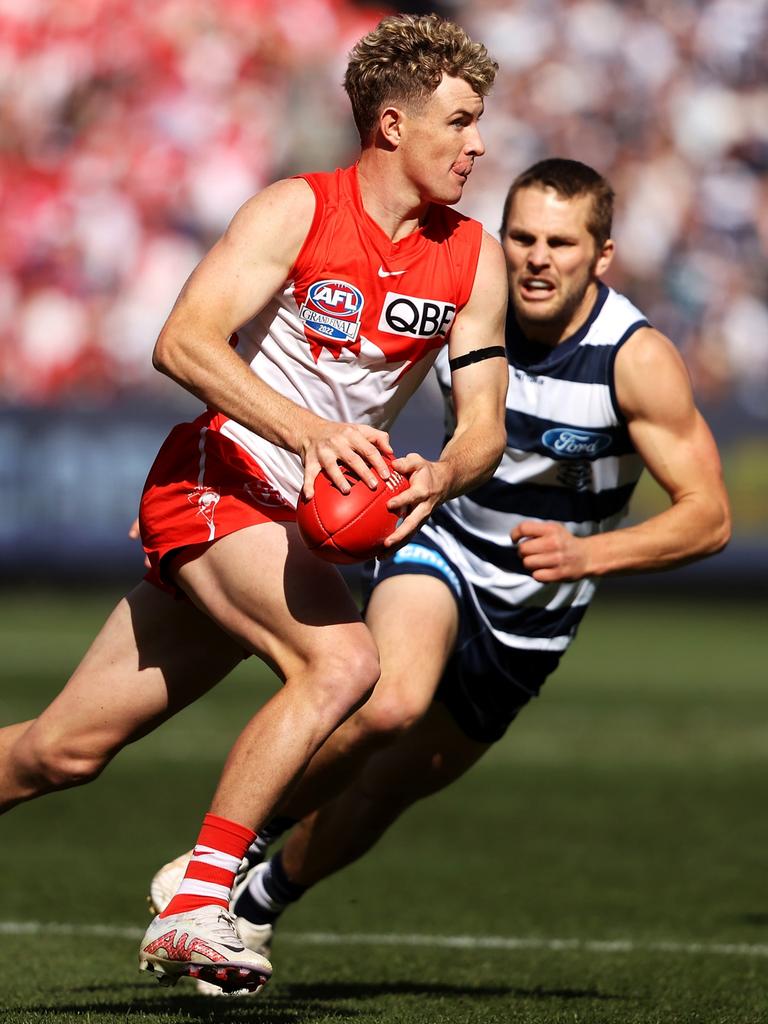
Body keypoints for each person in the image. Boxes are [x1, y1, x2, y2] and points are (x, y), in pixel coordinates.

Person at [0, 14, 509, 993]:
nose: (477, 142)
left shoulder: (471, 257)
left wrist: (442, 473)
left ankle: (191, 887)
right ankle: (198, 905)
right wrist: (309, 432)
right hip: (217, 478)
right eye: (461, 120)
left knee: (61, 751)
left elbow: (481, 420)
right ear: (392, 125)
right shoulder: (297, 208)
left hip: (299, 523)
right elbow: (183, 341)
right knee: (345, 659)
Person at [149, 157, 732, 990]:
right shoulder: (472, 299)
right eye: (522, 237)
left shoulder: (634, 358)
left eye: (561, 243)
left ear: (601, 257)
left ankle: (257, 903)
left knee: (389, 790)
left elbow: (708, 514)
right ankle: (218, 862)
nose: (536, 257)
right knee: (389, 700)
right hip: (441, 543)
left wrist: (589, 554)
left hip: (537, 607)